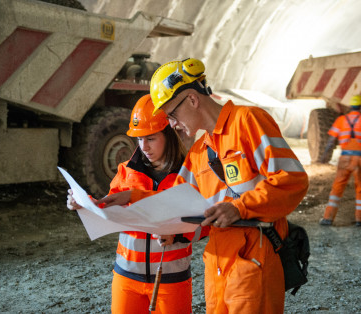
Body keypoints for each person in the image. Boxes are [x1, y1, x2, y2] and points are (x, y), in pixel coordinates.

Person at [101, 58, 309, 313]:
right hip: (217, 265)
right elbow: (174, 203)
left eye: (171, 115)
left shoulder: (248, 122)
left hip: (255, 258)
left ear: (192, 99)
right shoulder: (199, 153)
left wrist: (239, 208)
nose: (172, 124)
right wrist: (132, 197)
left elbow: (291, 179)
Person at [67, 94, 208, 314]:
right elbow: (109, 210)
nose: (144, 147)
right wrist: (85, 205)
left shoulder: (189, 174)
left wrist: (179, 235)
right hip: (126, 277)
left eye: (151, 138)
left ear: (169, 134)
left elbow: (206, 224)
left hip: (171, 280)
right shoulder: (126, 171)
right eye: (139, 139)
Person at [319, 94, 361, 227]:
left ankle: (327, 218)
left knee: (337, 188)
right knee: (360, 188)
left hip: (344, 158)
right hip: (359, 159)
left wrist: (325, 155)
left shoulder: (341, 119)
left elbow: (331, 139)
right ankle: (360, 219)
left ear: (350, 106)